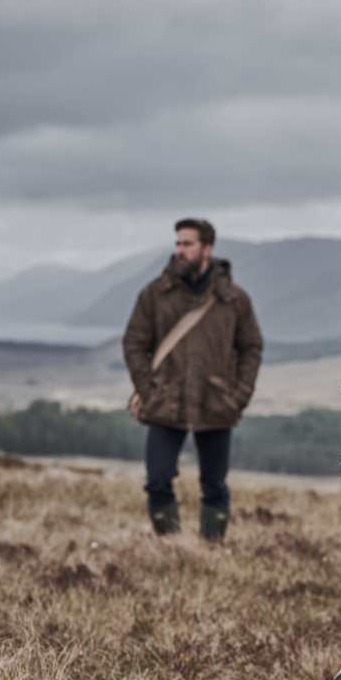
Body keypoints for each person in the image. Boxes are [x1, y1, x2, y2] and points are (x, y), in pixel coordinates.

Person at [122, 218, 263, 541]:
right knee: (157, 479)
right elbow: (134, 344)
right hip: (165, 402)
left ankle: (211, 549)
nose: (179, 250)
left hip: (216, 403)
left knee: (214, 485)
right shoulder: (155, 295)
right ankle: (170, 546)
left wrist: (238, 395)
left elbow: (251, 347)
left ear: (207, 248)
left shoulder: (234, 299)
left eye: (187, 244)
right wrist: (148, 390)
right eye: (178, 243)